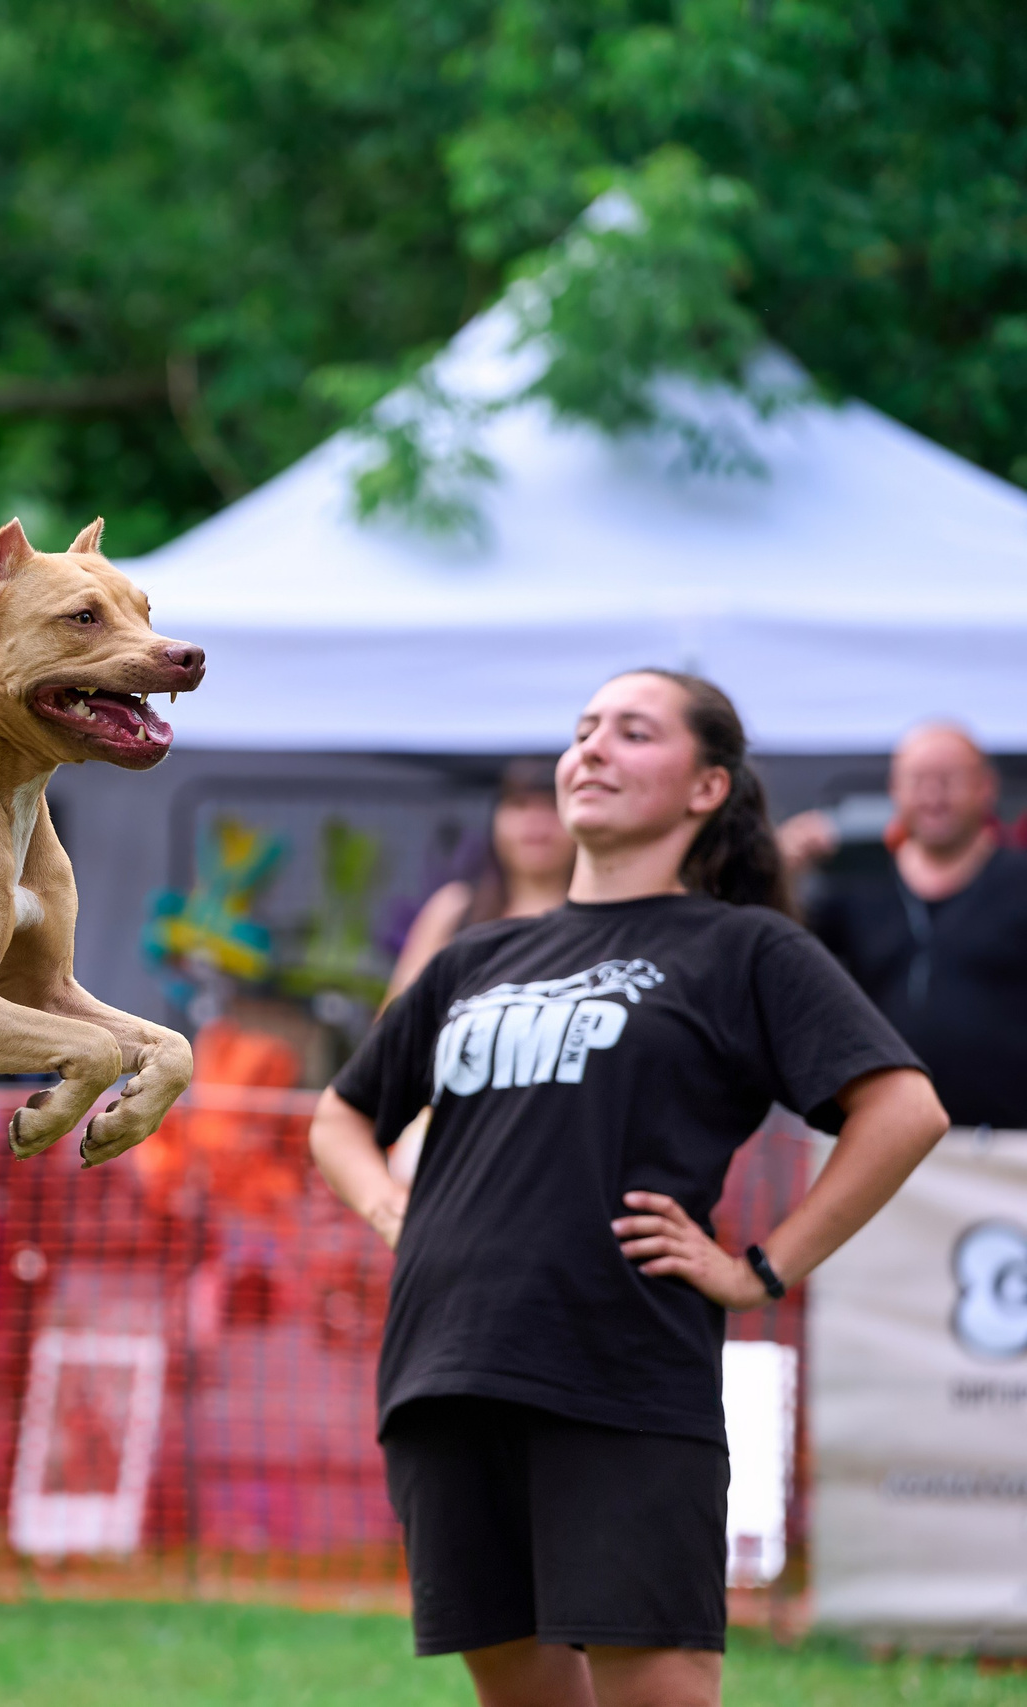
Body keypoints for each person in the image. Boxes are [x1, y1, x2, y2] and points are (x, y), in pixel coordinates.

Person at [312, 670, 947, 1707]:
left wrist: (760, 1268)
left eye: (634, 732)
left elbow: (903, 1109)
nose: (592, 750)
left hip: (619, 1366)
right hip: (444, 1366)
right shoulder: (475, 956)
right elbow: (339, 1115)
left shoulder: (744, 947)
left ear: (706, 787)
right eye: (583, 730)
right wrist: (394, 1212)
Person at [781, 722, 1027, 1131]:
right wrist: (783, 869)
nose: (933, 796)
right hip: (884, 1134)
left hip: (1006, 1141)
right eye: (918, 781)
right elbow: (783, 959)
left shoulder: (1018, 881)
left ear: (986, 787)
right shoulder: (858, 884)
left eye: (948, 780)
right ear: (895, 790)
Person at [386, 757, 576, 1000]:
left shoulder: (606, 921)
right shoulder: (455, 908)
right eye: (519, 804)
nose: (536, 821)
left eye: (552, 805)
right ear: (495, 817)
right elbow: (398, 1013)